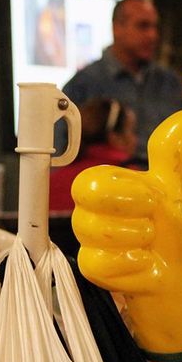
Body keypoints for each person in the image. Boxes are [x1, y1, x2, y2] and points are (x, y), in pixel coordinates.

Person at [61, 0, 182, 165]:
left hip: (165, 189)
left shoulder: (170, 84)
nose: (153, 35)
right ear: (116, 28)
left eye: (155, 27)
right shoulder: (82, 86)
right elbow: (62, 155)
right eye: (143, 26)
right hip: (108, 188)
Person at [48, 98, 137, 256]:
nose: (135, 139)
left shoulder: (50, 182)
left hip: (54, 275)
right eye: (132, 131)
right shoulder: (133, 180)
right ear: (114, 137)